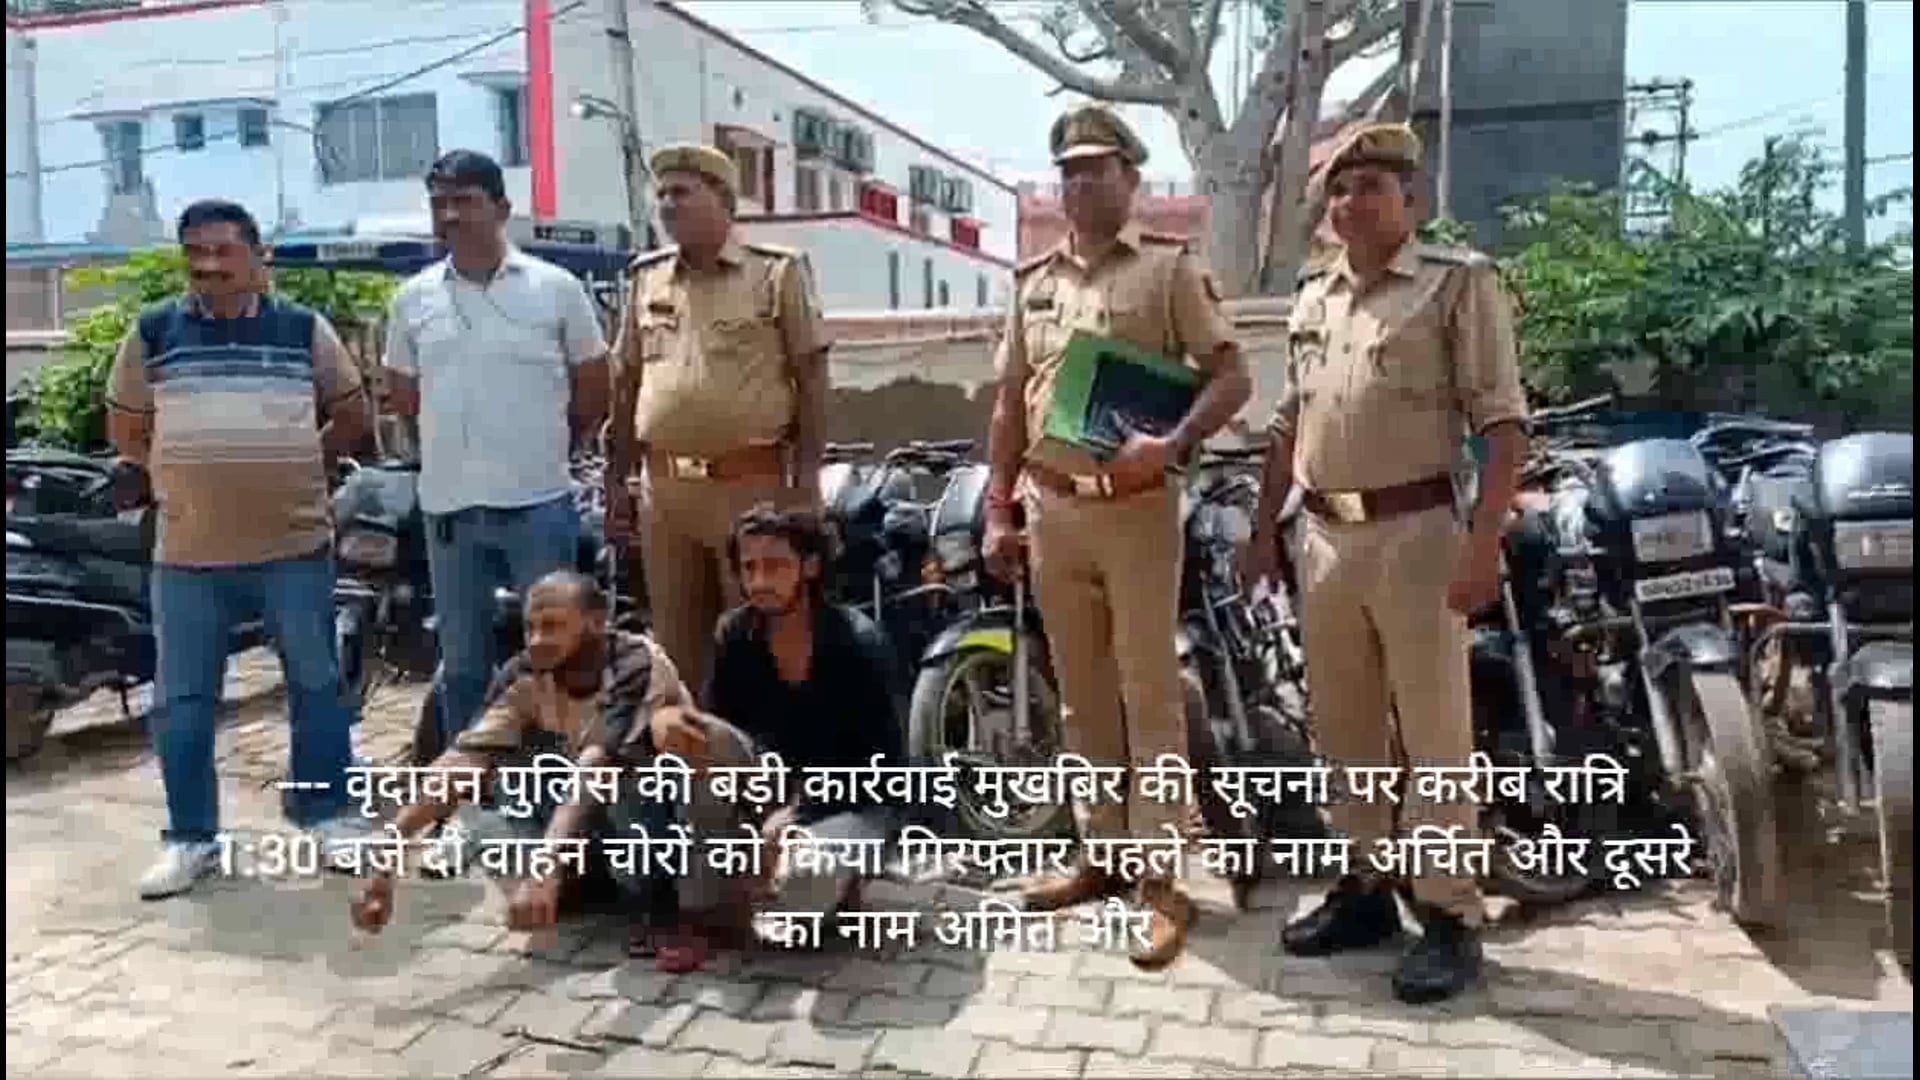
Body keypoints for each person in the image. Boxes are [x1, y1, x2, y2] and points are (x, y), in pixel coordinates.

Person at [1242, 122, 1529, 1004]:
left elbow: (1502, 425)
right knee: (1344, 728)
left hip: (1418, 535)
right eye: (1339, 189)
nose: (1350, 202)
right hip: (1322, 537)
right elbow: (1288, 423)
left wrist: (1483, 543)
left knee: (1435, 736)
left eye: (1371, 186)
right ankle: (1366, 886)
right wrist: (1261, 533)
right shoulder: (1314, 295)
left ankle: (1447, 914)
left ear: (1412, 200)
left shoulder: (1456, 283)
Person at [980, 105, 1252, 970]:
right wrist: (998, 507)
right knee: (1082, 696)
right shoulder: (1033, 282)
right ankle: (1103, 854)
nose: (1078, 183)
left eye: (1095, 169)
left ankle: (1162, 877)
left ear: (1131, 179)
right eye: (1068, 171)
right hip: (1052, 508)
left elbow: (1232, 377)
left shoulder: (1169, 270)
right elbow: (1009, 401)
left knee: (1149, 693)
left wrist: (1173, 445)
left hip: (1136, 512)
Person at [105, 198, 372, 899]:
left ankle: (326, 814)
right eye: (196, 253)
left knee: (314, 684)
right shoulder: (154, 332)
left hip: (294, 546)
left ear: (258, 257)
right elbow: (125, 431)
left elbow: (352, 415)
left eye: (223, 251)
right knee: (183, 699)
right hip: (188, 555)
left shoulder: (302, 329)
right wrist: (180, 476)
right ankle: (192, 838)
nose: (209, 266)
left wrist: (297, 463)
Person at [379, 150, 610, 756]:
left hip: (539, 506)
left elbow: (593, 386)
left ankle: (554, 785)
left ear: (502, 208)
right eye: (439, 204)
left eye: (465, 201)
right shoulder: (412, 298)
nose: (450, 215)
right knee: (462, 665)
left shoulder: (556, 289)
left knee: (557, 655)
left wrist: (554, 443)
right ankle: (469, 788)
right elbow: (403, 395)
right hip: (450, 513)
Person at [348, 570, 712, 944]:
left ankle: (663, 901)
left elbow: (596, 767)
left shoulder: (635, 661)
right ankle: (578, 885)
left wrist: (543, 868)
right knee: (510, 775)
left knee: (623, 778)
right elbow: (462, 761)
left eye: (552, 626)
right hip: (588, 810)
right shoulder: (523, 672)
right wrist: (387, 857)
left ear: (596, 622)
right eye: (530, 628)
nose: (537, 640)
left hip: (661, 818)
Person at [603, 144, 829, 691]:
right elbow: (626, 384)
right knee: (676, 651)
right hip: (665, 495)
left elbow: (812, 380)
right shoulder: (647, 278)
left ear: (723, 199)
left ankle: (759, 748)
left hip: (750, 488)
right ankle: (691, 747)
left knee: (754, 643)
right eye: (661, 194)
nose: (667, 204)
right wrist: (616, 482)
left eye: (681, 192)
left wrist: (805, 485)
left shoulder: (774, 272)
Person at [703, 505, 905, 927]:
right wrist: (755, 816)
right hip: (768, 791)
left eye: (775, 566)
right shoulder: (734, 635)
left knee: (803, 888)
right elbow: (722, 734)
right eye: (749, 567)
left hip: (854, 802)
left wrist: (796, 814)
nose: (760, 582)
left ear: (810, 566)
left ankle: (850, 878)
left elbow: (884, 771)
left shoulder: (858, 643)